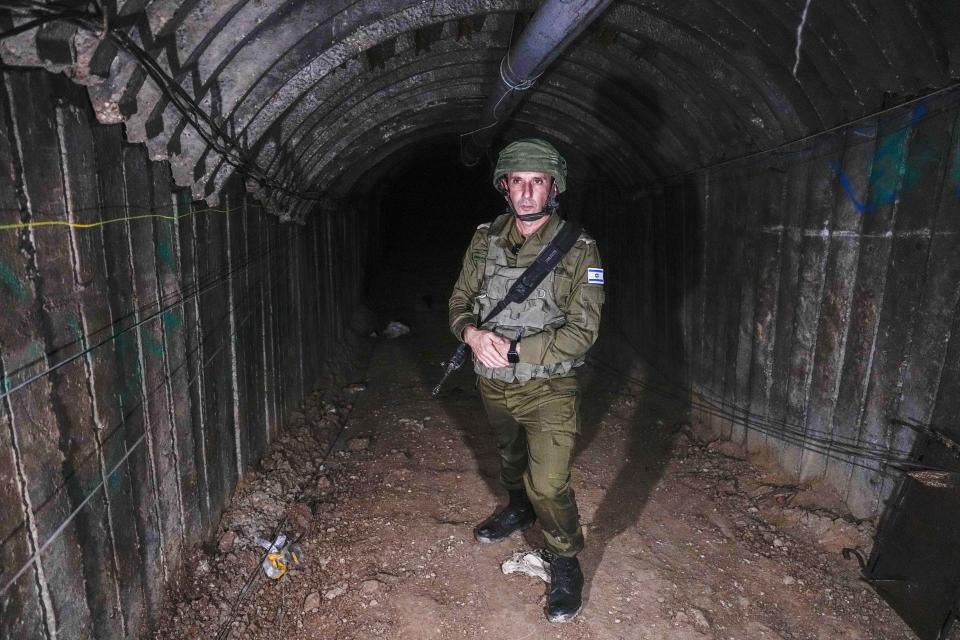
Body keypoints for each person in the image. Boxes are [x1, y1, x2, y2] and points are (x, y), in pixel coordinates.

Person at [448, 138, 604, 622]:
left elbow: (583, 332)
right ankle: (517, 507)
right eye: (519, 181)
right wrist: (471, 333)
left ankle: (564, 560)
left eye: (538, 182)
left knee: (550, 481)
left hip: (549, 387)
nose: (528, 192)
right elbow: (459, 303)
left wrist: (515, 349)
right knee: (510, 457)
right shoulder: (483, 239)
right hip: (492, 382)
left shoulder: (580, 250)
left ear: (553, 189)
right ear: (506, 187)